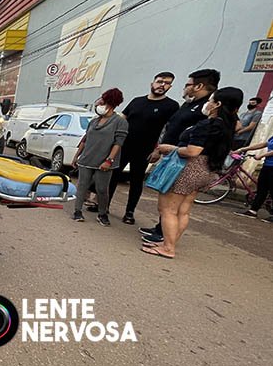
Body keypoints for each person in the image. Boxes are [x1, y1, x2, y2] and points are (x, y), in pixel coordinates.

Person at [142, 87, 239, 259]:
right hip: (207, 170)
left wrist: (170, 148)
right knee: (183, 211)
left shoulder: (207, 125)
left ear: (217, 104)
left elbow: (193, 151)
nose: (207, 104)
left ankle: (168, 247)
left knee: (168, 209)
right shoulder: (228, 126)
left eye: (211, 100)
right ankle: (168, 243)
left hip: (189, 168)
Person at [140, 69, 220, 245]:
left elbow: (197, 142)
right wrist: (160, 149)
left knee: (172, 206)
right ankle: (162, 230)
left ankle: (166, 239)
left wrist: (172, 149)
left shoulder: (206, 109)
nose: (185, 88)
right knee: (170, 204)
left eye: (188, 84)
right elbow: (171, 128)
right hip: (173, 155)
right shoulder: (189, 104)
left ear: (199, 86)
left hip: (184, 160)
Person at [106, 72, 179, 224]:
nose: (162, 85)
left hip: (145, 150)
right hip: (124, 146)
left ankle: (129, 212)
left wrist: (158, 150)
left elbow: (169, 130)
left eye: (166, 83)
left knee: (136, 181)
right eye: (159, 81)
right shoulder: (137, 101)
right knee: (113, 177)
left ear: (170, 87)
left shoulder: (171, 106)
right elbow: (122, 121)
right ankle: (104, 206)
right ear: (152, 83)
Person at [71, 88, 128, 226]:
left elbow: (118, 143)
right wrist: (76, 156)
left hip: (104, 162)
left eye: (103, 100)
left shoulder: (120, 122)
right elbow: (85, 139)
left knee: (102, 189)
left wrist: (109, 160)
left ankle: (102, 213)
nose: (99, 102)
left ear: (110, 102)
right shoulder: (94, 121)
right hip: (86, 159)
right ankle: (77, 211)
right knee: (82, 186)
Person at [233, 133, 273, 222]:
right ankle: (253, 211)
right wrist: (244, 149)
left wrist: (262, 155)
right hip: (267, 165)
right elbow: (263, 144)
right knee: (262, 190)